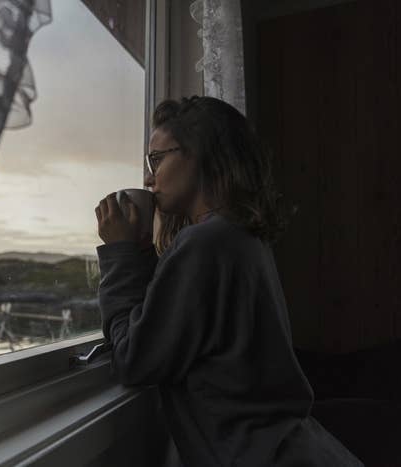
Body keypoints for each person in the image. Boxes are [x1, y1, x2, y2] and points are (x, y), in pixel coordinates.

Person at [94, 96, 364, 466]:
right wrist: (140, 254)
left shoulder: (204, 244)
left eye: (156, 159)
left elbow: (134, 360)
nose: (147, 176)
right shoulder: (239, 237)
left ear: (200, 154)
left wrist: (121, 253)